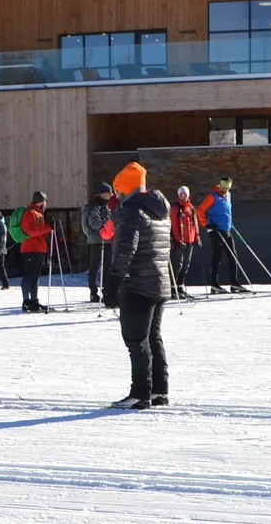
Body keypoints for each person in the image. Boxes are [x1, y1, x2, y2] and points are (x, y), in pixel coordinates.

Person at [102, 162, 171, 409]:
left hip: (138, 284)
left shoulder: (131, 211)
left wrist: (113, 282)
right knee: (153, 337)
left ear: (125, 189)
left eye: (118, 191)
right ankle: (159, 390)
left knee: (136, 339)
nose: (117, 196)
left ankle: (141, 392)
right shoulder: (160, 209)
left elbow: (124, 249)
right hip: (160, 283)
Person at [196, 178, 246, 293]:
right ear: (219, 185)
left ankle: (234, 283)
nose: (224, 190)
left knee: (233, 255)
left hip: (226, 229)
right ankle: (214, 284)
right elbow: (200, 210)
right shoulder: (212, 196)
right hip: (216, 230)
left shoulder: (228, 195)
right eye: (223, 188)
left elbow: (227, 211)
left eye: (227, 188)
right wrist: (207, 225)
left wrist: (229, 223)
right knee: (217, 256)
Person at [81, 183, 115, 304]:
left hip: (106, 239)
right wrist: (107, 222)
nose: (111, 195)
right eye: (109, 192)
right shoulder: (94, 206)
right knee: (95, 267)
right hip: (97, 240)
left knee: (107, 266)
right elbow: (94, 223)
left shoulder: (104, 205)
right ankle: (93, 292)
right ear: (102, 193)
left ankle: (106, 291)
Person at [18, 191, 53, 313]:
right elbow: (30, 232)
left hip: (37, 248)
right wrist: (47, 228)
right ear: (42, 201)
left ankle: (34, 301)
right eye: (45, 202)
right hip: (31, 248)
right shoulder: (30, 213)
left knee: (35, 276)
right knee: (29, 274)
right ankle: (26, 302)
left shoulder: (37, 212)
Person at [169, 186, 201, 298]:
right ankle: (173, 289)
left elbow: (195, 224)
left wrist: (197, 237)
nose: (183, 196)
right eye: (181, 195)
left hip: (190, 240)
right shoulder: (176, 209)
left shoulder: (191, 208)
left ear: (188, 195)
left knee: (186, 264)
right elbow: (174, 226)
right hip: (180, 242)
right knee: (177, 264)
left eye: (185, 194)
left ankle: (180, 286)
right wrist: (178, 239)